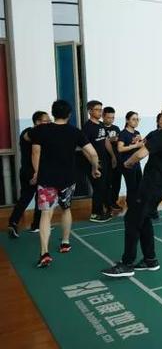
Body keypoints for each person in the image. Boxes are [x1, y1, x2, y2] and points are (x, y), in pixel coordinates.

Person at [102, 102, 162, 277]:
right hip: (161, 184)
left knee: (132, 220)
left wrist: (128, 162)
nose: (161, 113)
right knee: (144, 218)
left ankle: (127, 264)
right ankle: (150, 259)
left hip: (152, 185)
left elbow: (140, 154)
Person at [30, 100, 100, 267]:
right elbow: (93, 153)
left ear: (53, 113)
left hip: (46, 179)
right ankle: (65, 242)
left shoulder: (41, 130)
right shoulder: (75, 132)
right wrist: (95, 168)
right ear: (69, 114)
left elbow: (35, 152)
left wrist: (37, 172)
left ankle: (44, 252)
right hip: (67, 179)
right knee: (66, 209)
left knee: (45, 214)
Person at [7, 111, 51, 238]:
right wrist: (36, 173)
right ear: (37, 122)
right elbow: (34, 151)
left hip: (34, 171)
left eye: (50, 121)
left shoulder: (41, 135)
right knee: (30, 197)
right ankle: (20, 224)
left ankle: (31, 224)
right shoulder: (28, 133)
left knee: (36, 197)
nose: (49, 123)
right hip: (31, 172)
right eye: (46, 121)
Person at [82, 100, 116, 223]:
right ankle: (95, 214)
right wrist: (94, 164)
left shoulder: (101, 125)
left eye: (101, 109)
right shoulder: (87, 127)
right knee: (98, 188)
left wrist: (113, 156)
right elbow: (84, 148)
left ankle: (103, 210)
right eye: (97, 109)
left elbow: (106, 141)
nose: (100, 112)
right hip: (94, 163)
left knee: (104, 187)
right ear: (90, 111)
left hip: (105, 161)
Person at [117, 111, 143, 212]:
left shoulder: (137, 133)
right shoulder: (123, 133)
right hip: (127, 164)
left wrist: (141, 142)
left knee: (139, 185)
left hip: (136, 163)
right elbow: (120, 148)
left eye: (137, 119)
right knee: (131, 186)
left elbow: (140, 147)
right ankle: (131, 207)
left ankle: (137, 205)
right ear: (127, 120)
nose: (136, 121)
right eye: (133, 119)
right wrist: (135, 145)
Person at [102, 106, 123, 212]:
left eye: (113, 118)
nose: (111, 120)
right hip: (105, 160)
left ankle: (114, 202)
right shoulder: (100, 128)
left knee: (116, 182)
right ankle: (106, 203)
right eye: (108, 117)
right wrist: (109, 140)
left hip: (117, 159)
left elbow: (121, 142)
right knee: (106, 183)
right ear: (103, 116)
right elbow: (99, 142)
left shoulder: (116, 128)